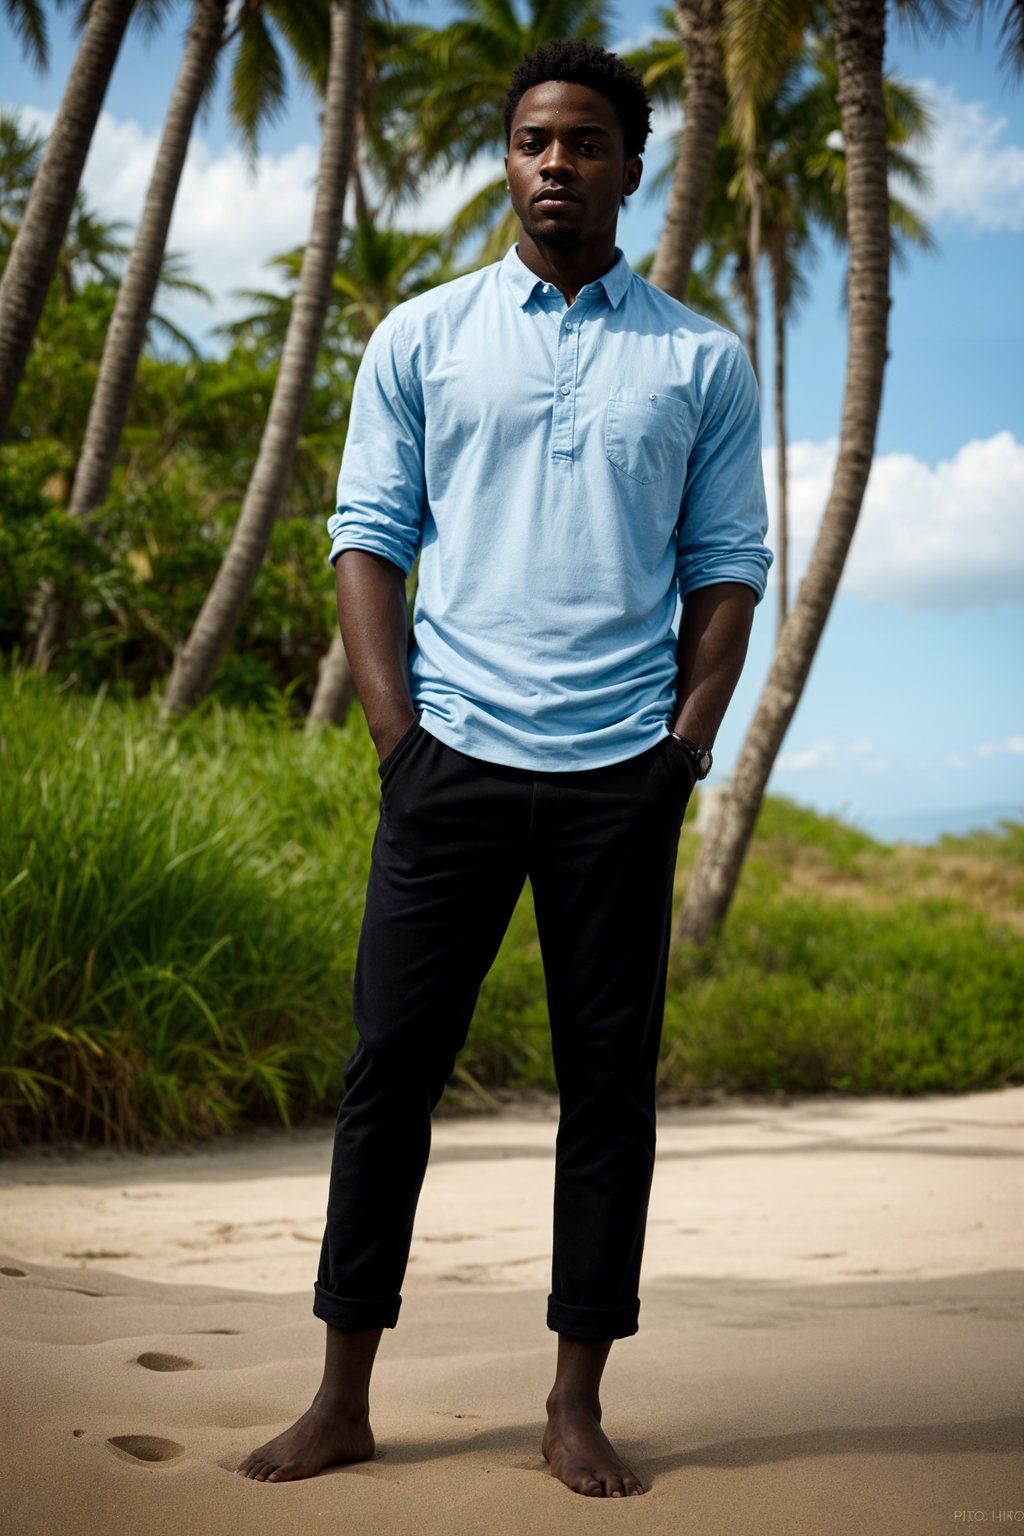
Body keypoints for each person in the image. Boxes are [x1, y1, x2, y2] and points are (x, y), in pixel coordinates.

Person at [238, 38, 771, 1499]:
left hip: (621, 779)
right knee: (385, 1076)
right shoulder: (420, 335)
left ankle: (575, 1404)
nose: (556, 165)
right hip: (451, 762)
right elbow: (367, 542)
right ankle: (341, 1395)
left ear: (628, 167)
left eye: (585, 144)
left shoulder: (700, 357)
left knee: (609, 1093)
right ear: (510, 157)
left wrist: (682, 750)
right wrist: (399, 741)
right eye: (535, 140)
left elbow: (728, 573)